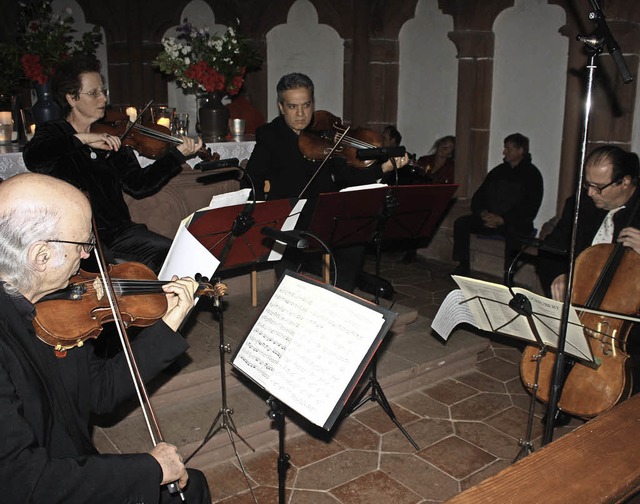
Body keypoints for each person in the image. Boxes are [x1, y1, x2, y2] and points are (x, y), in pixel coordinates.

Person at [0, 173, 211, 503]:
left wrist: (167, 324)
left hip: (69, 466)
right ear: (40, 256)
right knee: (188, 491)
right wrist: (150, 469)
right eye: (83, 244)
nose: (89, 256)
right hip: (50, 486)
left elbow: (101, 392)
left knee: (192, 485)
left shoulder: (56, 310)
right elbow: (24, 482)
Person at [23, 55, 203, 274]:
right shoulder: (54, 132)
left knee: (173, 253)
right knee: (101, 264)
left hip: (119, 232)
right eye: (93, 93)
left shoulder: (111, 134)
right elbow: (34, 157)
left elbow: (139, 184)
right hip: (74, 236)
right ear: (72, 98)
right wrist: (82, 139)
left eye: (103, 92)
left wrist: (176, 156)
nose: (102, 99)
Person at [245, 72, 408, 291]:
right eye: (293, 107)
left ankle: (340, 295)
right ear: (281, 107)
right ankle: (289, 297)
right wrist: (257, 211)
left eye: (306, 105)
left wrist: (384, 167)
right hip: (289, 213)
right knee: (290, 254)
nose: (301, 114)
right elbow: (252, 178)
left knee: (355, 236)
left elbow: (348, 174)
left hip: (325, 210)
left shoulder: (325, 133)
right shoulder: (269, 135)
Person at [535, 145, 640, 424]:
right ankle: (563, 391)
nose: (590, 192)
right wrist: (559, 274)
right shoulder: (580, 204)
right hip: (580, 302)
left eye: (598, 186)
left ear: (625, 182)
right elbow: (551, 251)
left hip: (626, 318)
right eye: (586, 183)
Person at [452, 132, 543, 276]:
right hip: (488, 219)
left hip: (513, 222)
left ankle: (509, 273)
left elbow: (530, 207)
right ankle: (463, 265)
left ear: (521, 151)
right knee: (461, 223)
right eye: (504, 147)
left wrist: (502, 219)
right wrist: (483, 213)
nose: (504, 152)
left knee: (514, 232)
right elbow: (479, 196)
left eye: (509, 148)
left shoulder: (532, 175)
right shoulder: (498, 172)